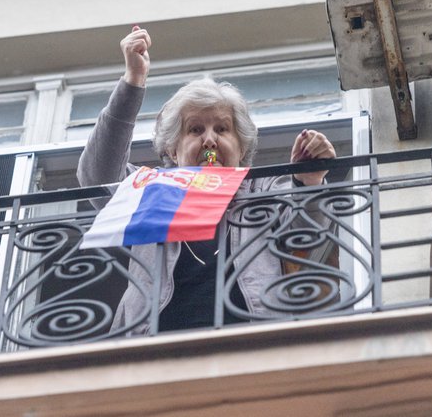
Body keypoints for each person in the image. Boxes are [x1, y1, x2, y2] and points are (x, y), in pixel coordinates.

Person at [77, 26, 337, 336]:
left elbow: (309, 236)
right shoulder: (153, 189)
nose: (210, 140)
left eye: (222, 129)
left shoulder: (265, 190)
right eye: (196, 130)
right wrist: (133, 82)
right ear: (173, 150)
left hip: (251, 349)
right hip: (151, 355)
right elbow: (97, 176)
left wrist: (308, 180)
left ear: (241, 149)